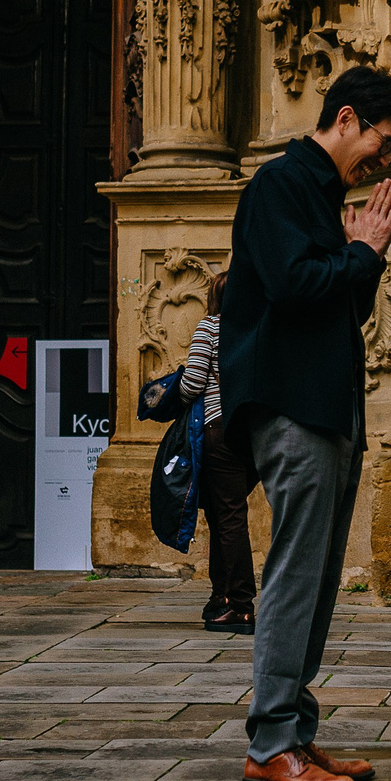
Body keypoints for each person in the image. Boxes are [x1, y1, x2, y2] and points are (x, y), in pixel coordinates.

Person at [221, 65, 391, 781]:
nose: (385, 162)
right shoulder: (281, 184)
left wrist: (363, 255)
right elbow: (292, 286)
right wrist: (360, 253)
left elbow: (343, 308)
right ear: (345, 119)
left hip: (328, 405)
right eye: (383, 143)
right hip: (293, 404)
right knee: (296, 573)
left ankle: (295, 733)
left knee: (319, 578)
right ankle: (272, 745)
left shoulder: (324, 196)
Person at [176, 268, 257, 636]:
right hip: (252, 434)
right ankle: (219, 597)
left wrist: (173, 395)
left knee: (229, 517)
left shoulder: (210, 327)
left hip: (218, 430)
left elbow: (193, 381)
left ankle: (240, 605)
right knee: (226, 514)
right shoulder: (257, 328)